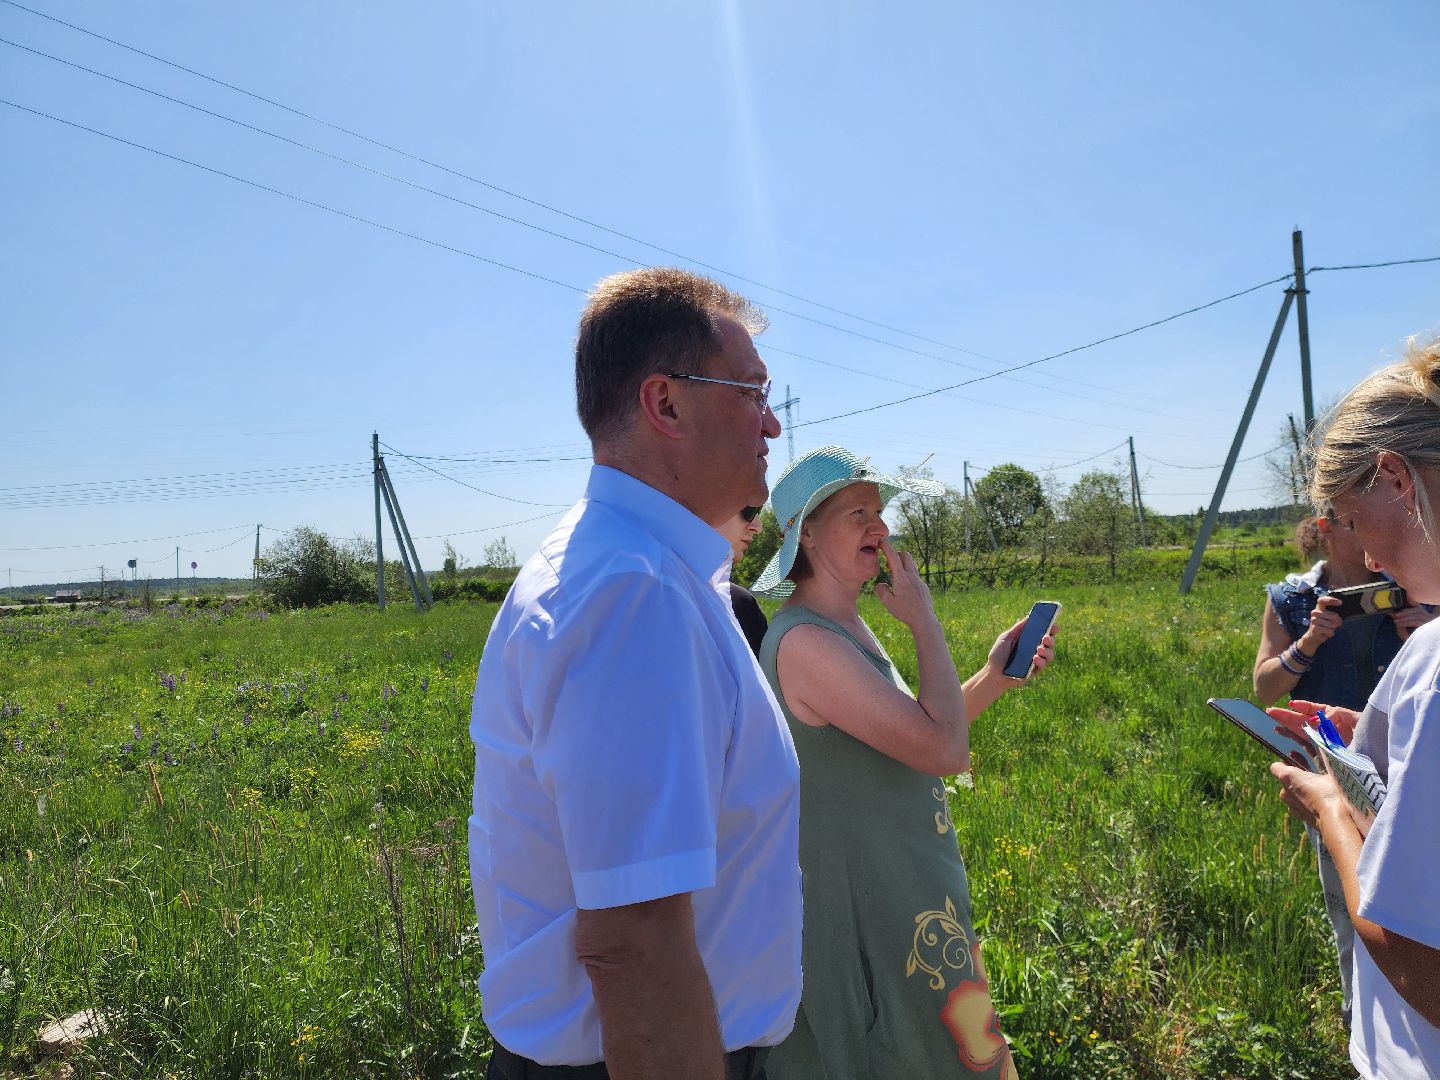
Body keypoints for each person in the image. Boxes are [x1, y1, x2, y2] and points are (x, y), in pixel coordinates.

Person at [469, 267, 801, 1080]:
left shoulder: (649, 573)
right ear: (666, 404)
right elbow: (635, 943)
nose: (771, 424)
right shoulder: (633, 594)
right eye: (753, 392)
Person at [751, 445, 1055, 1080]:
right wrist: (924, 621)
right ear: (807, 535)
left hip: (910, 899)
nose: (880, 526)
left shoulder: (842, 626)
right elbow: (944, 750)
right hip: (874, 915)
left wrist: (993, 678)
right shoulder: (807, 642)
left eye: (879, 511)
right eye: (857, 513)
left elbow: (914, 736)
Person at [1270, 336, 1440, 1079]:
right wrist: (1385, 746)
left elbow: (1412, 956)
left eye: (1351, 513)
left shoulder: (1433, 663)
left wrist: (1333, 809)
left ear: (1397, 480)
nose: (1367, 558)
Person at [1253, 513, 1434, 1023]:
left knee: (1418, 904)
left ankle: (1408, 1021)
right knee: (1350, 904)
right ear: (1326, 526)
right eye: (1355, 520)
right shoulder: (1291, 599)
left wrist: (1427, 632)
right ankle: (1362, 1018)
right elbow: (1265, 688)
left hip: (1410, 769)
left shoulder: (1418, 587)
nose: (1375, 545)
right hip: (1334, 775)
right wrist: (1309, 641)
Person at [721, 505, 768, 657]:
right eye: (748, 508)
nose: (758, 527)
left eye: (758, 510)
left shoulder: (744, 605)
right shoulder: (662, 595)